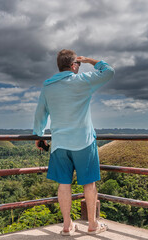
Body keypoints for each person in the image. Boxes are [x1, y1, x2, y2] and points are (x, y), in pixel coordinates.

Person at [33, 49, 115, 235]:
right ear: (73, 65)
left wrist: (38, 135)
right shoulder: (82, 81)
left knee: (64, 184)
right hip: (84, 142)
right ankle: (93, 225)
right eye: (77, 63)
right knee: (89, 184)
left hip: (60, 143)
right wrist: (88, 60)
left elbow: (40, 113)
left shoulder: (48, 86)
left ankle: (67, 225)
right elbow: (109, 71)